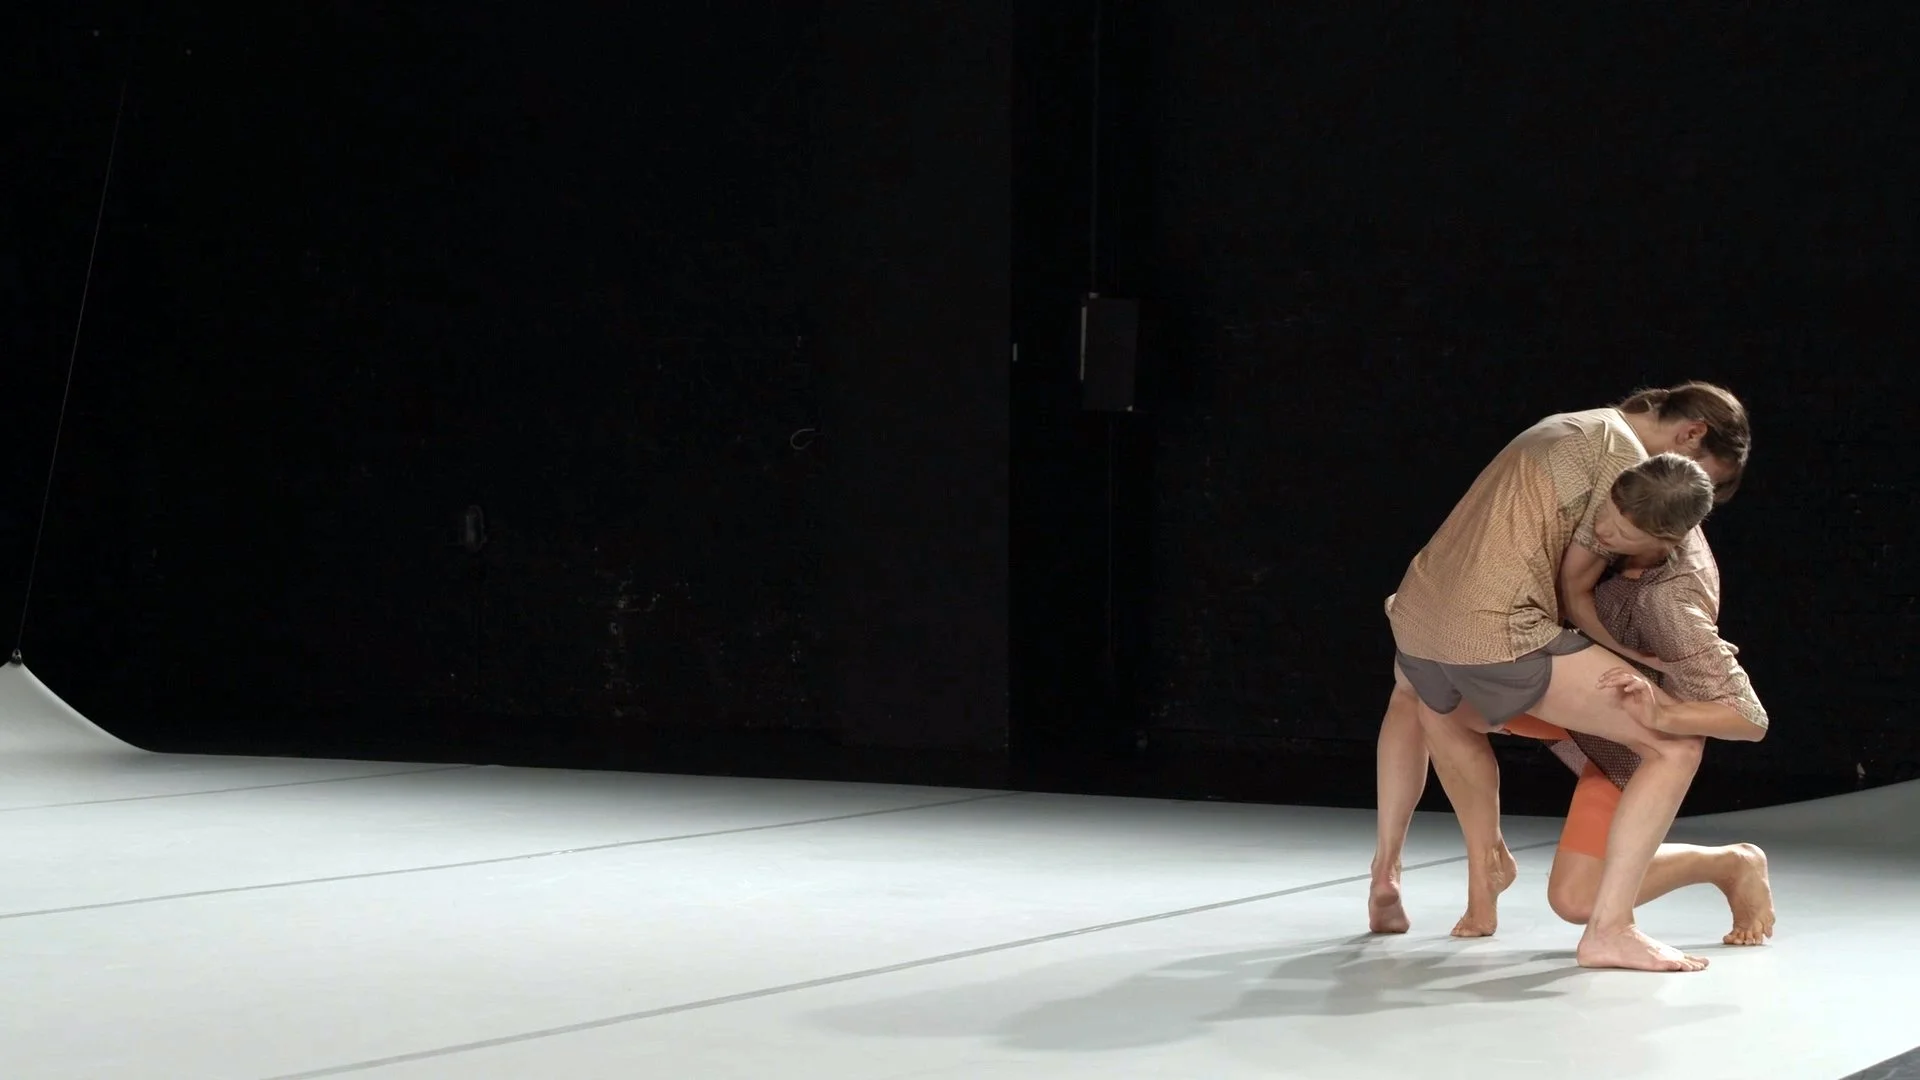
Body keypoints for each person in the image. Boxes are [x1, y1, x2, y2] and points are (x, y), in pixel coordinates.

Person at [1371, 383, 1751, 972]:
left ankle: (1465, 875)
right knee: (1672, 747)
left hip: (1417, 620)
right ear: (1690, 435)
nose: (1686, 487)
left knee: (1429, 703)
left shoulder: (1574, 426)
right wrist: (1647, 681)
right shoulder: (1627, 471)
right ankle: (1612, 930)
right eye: (1698, 470)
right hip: (1499, 641)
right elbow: (1574, 590)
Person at [1420, 521, 1773, 947]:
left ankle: (1731, 864)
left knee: (1577, 899)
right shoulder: (1595, 538)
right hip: (1572, 708)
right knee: (1433, 697)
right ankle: (1487, 865)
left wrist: (1663, 717)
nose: (1603, 526)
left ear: (1662, 536)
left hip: (1626, 745)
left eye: (1623, 523)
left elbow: (1750, 718)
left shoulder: (1666, 600)